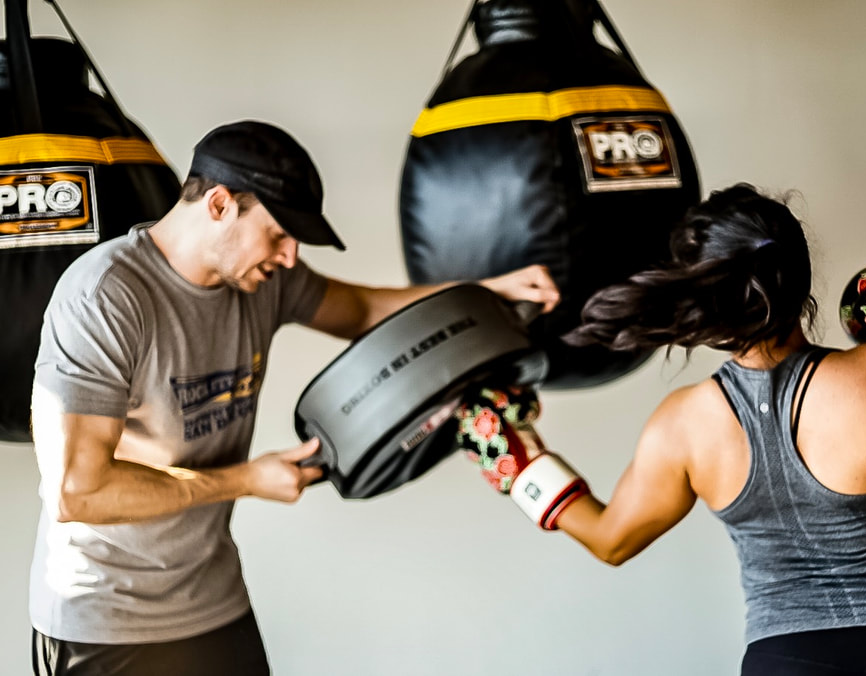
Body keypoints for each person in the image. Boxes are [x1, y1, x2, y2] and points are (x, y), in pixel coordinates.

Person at [28, 119, 560, 676]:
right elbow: (77, 492)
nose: (289, 257)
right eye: (279, 234)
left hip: (211, 602)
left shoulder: (264, 282)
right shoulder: (105, 297)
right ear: (219, 205)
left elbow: (363, 310)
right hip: (102, 619)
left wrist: (481, 294)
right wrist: (246, 480)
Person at [458, 183, 866, 675]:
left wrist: (512, 461)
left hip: (787, 660)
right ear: (800, 279)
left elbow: (611, 540)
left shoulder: (683, 425)